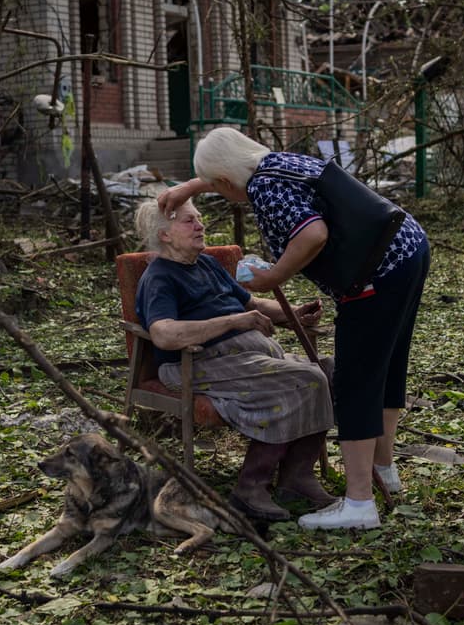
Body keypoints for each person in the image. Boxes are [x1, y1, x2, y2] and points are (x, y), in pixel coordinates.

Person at [158, 127, 429, 530]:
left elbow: (313, 234)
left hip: (373, 273)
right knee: (386, 371)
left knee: (355, 381)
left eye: (217, 190)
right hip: (406, 249)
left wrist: (275, 275)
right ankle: (383, 470)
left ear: (227, 182)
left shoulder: (264, 190)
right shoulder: (278, 163)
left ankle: (359, 504)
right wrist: (193, 185)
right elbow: (233, 173)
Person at [133, 199, 337, 522]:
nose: (200, 225)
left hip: (246, 356)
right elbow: (164, 334)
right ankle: (250, 489)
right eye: (189, 221)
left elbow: (250, 302)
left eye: (199, 218)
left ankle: (296, 479)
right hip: (197, 363)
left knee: (329, 370)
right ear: (165, 235)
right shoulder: (159, 277)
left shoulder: (208, 264)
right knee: (304, 379)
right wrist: (232, 322)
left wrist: (293, 314)